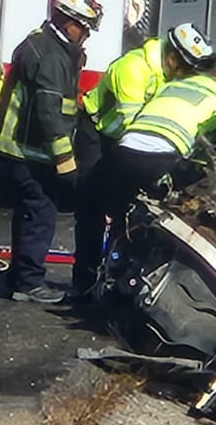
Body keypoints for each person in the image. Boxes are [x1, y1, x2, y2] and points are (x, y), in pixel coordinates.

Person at [0, 0, 104, 305]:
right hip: (30, 150)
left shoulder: (49, 46)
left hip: (28, 148)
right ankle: (28, 282)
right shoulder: (50, 55)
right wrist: (66, 160)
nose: (86, 35)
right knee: (39, 215)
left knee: (30, 213)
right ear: (68, 22)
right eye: (84, 27)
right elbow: (49, 114)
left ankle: (20, 276)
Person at [70, 23, 205, 299]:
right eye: (186, 67)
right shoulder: (133, 69)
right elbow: (133, 128)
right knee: (91, 210)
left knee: (127, 211)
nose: (189, 75)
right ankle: (83, 284)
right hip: (99, 135)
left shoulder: (168, 73)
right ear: (172, 57)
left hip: (125, 143)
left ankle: (116, 281)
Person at [109, 31, 216, 212]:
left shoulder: (170, 86)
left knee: (116, 205)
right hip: (159, 157)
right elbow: (214, 137)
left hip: (123, 149)